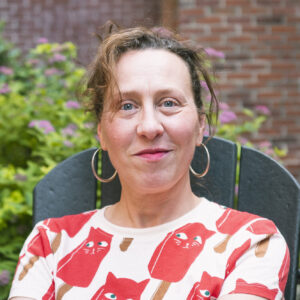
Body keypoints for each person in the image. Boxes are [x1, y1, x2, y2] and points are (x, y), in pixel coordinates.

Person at [9, 23, 289, 300]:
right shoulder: (50, 244)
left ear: (200, 126)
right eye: (127, 106)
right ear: (102, 133)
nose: (149, 127)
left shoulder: (251, 243)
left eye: (168, 103)